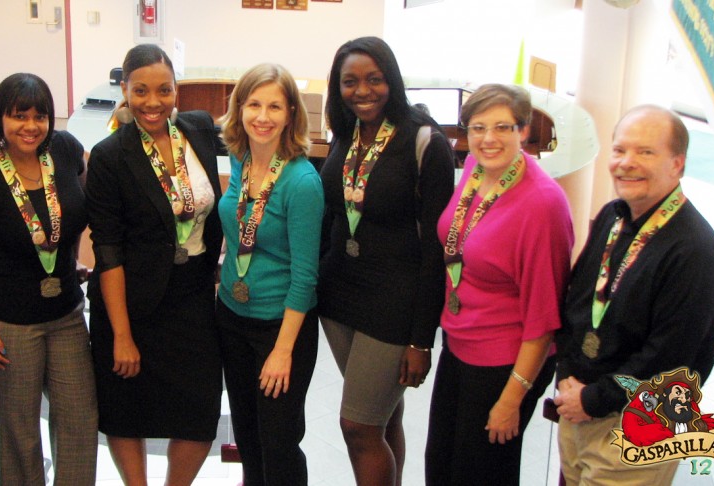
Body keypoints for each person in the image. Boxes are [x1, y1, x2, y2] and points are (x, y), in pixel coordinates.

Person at [554, 105, 714, 485]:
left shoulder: (696, 253)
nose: (627, 163)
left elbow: (670, 357)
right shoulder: (613, 217)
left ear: (677, 164)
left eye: (646, 152)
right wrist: (568, 374)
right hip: (580, 404)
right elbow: (578, 302)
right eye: (619, 150)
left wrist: (593, 399)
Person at [85, 44, 224, 486]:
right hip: (132, 301)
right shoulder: (109, 156)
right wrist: (121, 336)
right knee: (127, 410)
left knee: (200, 413)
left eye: (164, 90)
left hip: (194, 295)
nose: (152, 102)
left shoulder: (198, 130)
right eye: (140, 90)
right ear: (124, 90)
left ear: (176, 90)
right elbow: (107, 251)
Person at [318, 36, 455, 486]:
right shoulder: (346, 134)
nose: (362, 91)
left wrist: (421, 340)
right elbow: (334, 215)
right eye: (350, 82)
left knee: (357, 427)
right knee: (384, 418)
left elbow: (437, 250)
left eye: (374, 79)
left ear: (391, 80)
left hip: (393, 307)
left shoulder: (424, 142)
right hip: (339, 302)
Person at [0, 72, 98, 485]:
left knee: (79, 421)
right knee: (21, 433)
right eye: (19, 116)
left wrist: (68, 260)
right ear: (0, 119)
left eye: (40, 116)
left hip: (67, 312)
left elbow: (73, 212)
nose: (30, 126)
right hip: (9, 321)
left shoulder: (66, 151)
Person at [425, 84, 573, 485]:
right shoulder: (477, 171)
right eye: (478, 128)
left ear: (524, 131)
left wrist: (512, 400)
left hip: (505, 362)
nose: (489, 139)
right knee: (440, 466)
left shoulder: (542, 204)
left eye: (502, 127)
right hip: (460, 346)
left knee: (481, 474)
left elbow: (544, 319)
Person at [216, 63, 324, 486]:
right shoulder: (240, 158)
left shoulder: (302, 182)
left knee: (278, 443)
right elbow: (239, 225)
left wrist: (283, 351)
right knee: (247, 437)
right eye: (254, 104)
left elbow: (305, 276)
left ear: (291, 113)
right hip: (232, 317)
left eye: (274, 106)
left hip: (280, 328)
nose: (263, 116)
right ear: (239, 108)